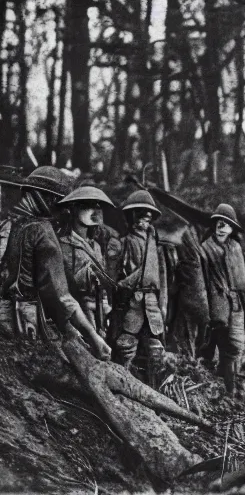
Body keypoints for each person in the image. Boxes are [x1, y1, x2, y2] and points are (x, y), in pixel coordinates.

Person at [0, 166, 111, 360]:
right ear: (48, 199)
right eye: (59, 203)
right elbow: (61, 297)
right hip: (30, 320)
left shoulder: (17, 226)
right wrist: (93, 336)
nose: (62, 210)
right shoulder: (43, 231)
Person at [114, 190, 167, 388]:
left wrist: (163, 309)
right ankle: (123, 388)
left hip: (152, 304)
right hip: (131, 302)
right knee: (126, 347)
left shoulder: (157, 247)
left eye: (147, 216)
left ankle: (154, 392)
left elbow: (162, 283)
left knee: (156, 351)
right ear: (131, 217)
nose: (142, 220)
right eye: (138, 215)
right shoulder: (123, 243)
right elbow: (114, 278)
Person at [200, 203, 245, 396]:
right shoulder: (205, 249)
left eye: (226, 225)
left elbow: (242, 281)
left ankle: (234, 387)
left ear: (232, 229)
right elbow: (203, 281)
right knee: (218, 348)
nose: (221, 228)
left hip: (237, 305)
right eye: (218, 224)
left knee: (237, 347)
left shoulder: (236, 248)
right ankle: (224, 389)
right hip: (217, 306)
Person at [57, 186, 118, 337]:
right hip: (78, 306)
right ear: (75, 210)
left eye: (97, 205)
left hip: (101, 305)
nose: (95, 210)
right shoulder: (64, 244)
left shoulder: (96, 245)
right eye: (87, 206)